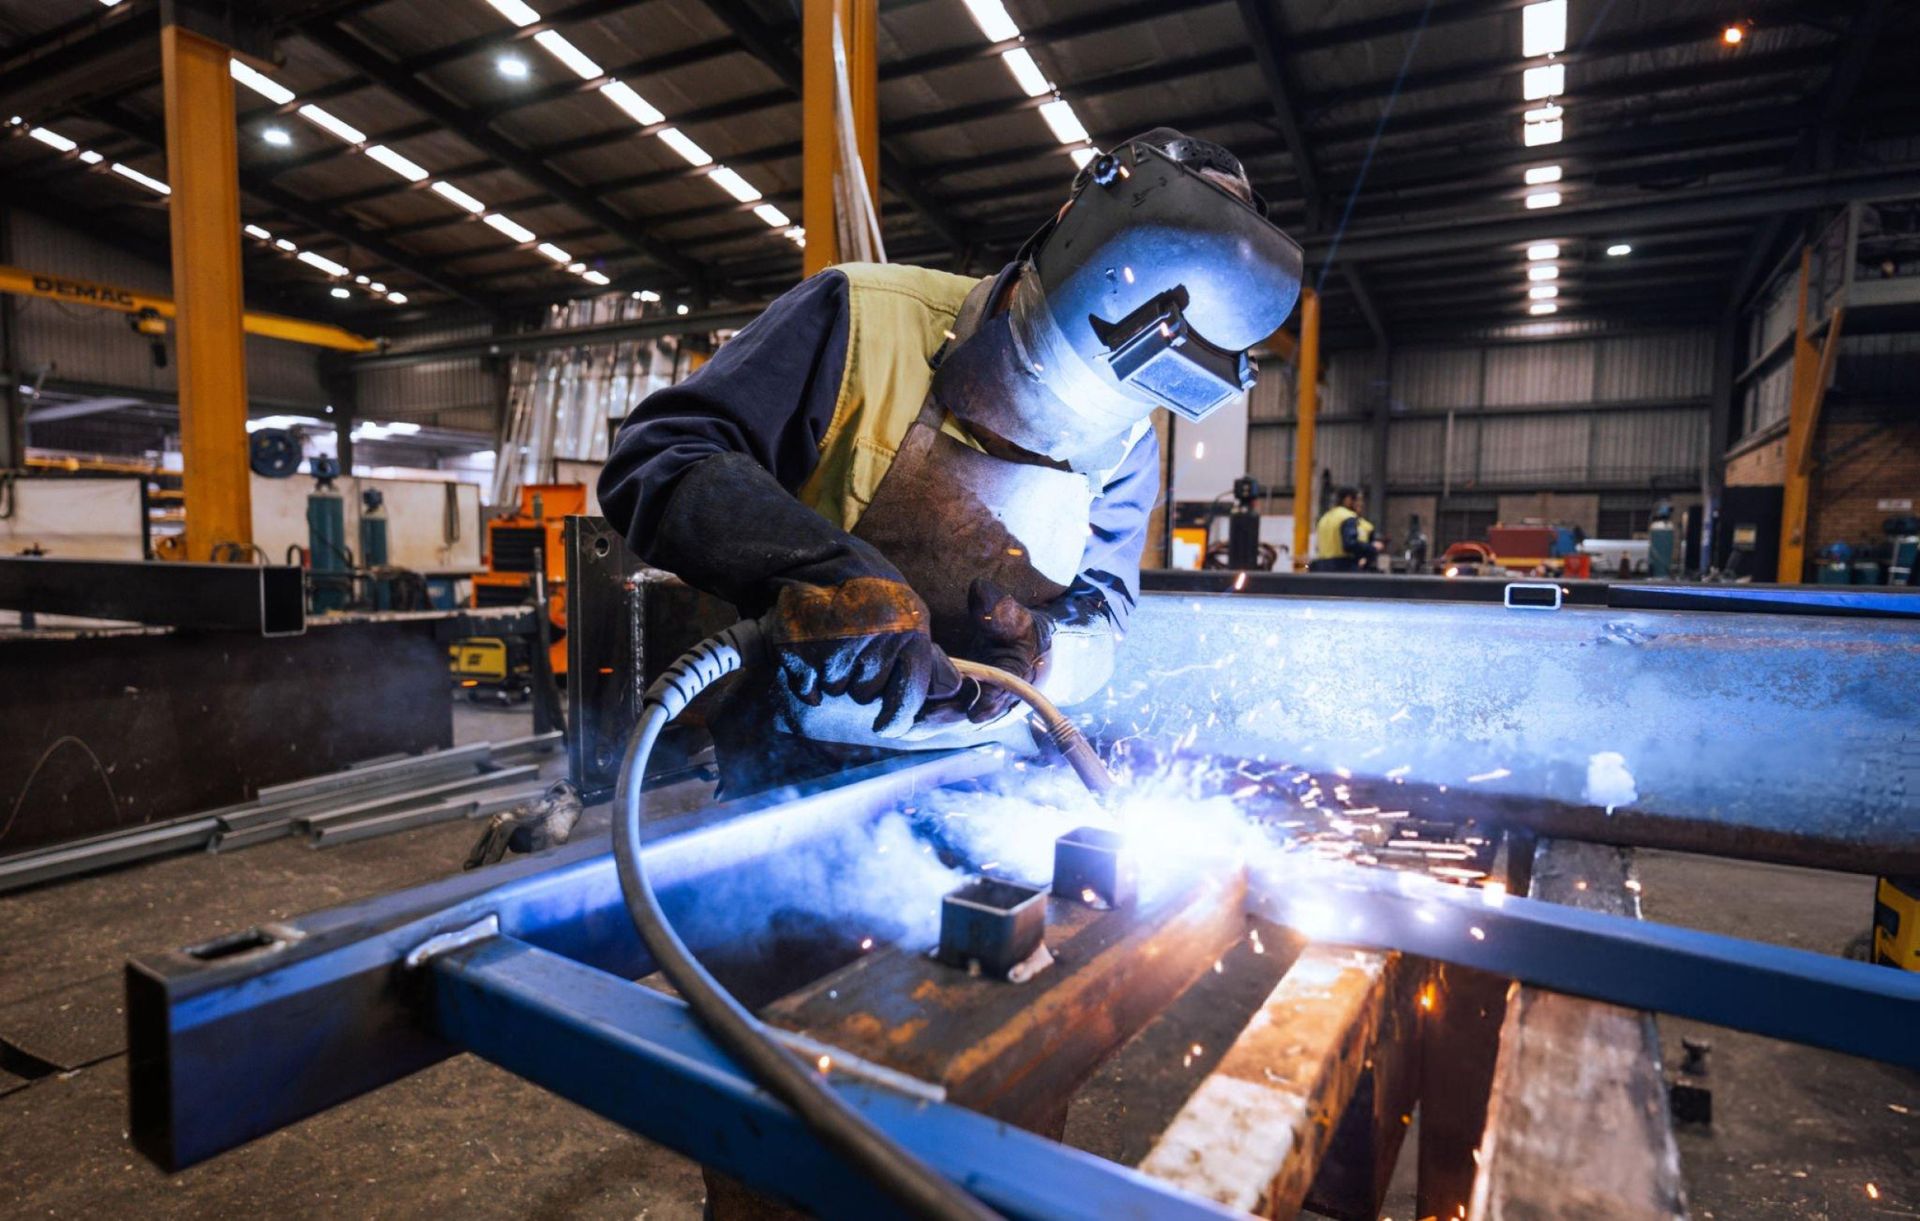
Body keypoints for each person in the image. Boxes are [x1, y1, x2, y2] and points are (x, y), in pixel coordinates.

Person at [598, 129, 1302, 789]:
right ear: (1067, 230)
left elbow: (1106, 614)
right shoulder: (860, 317)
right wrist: (815, 567)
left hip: (969, 776)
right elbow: (658, 456)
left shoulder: (1127, 442)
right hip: (782, 763)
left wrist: (1044, 646)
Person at [1310, 487, 1381, 572]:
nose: (1361, 504)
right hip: (1343, 567)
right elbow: (1350, 544)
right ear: (1348, 499)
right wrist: (1371, 548)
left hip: (1322, 567)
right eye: (1358, 500)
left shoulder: (1325, 518)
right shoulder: (1347, 517)